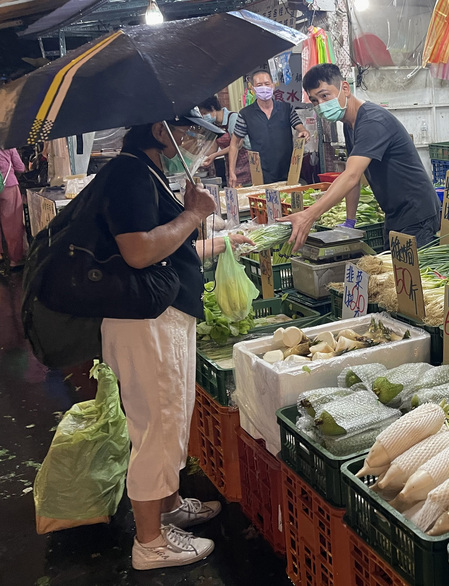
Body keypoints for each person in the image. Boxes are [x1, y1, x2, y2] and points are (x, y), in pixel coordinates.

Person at [99, 111, 253, 571]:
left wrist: (191, 213)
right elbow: (140, 250)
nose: (193, 141)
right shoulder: (128, 172)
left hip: (162, 320)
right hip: (146, 323)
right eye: (186, 131)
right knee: (156, 430)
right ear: (157, 129)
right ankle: (150, 543)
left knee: (169, 420)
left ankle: (167, 507)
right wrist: (192, 214)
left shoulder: (146, 171)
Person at [279, 64, 440, 252]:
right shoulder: (350, 124)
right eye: (314, 101)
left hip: (417, 214)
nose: (321, 105)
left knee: (411, 278)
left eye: (325, 96)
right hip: (395, 213)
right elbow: (352, 174)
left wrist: (310, 215)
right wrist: (350, 221)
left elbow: (352, 176)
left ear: (345, 89)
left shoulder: (372, 121)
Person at [228, 69, 310, 186]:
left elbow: (300, 127)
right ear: (252, 88)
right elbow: (234, 144)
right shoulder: (245, 114)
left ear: (273, 85)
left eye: (267, 84)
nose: (264, 88)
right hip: (261, 174)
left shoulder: (286, 108)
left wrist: (304, 132)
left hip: (289, 172)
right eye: (259, 85)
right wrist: (232, 171)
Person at [197, 95, 252, 186]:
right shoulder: (214, 124)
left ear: (213, 108)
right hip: (230, 165)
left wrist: (216, 155)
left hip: (245, 162)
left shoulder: (233, 118)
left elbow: (238, 144)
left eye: (204, 113)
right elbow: (213, 148)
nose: (203, 116)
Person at [0, 147, 27, 268]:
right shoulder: (7, 144)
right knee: (12, 224)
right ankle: (15, 260)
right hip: (8, 186)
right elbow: (20, 167)